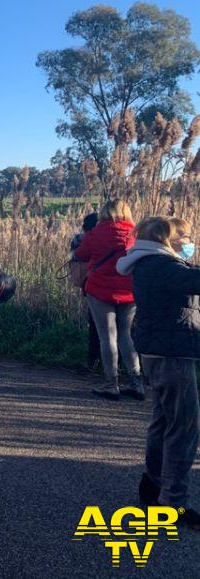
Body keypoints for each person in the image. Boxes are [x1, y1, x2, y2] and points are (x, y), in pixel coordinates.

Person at [116, 216, 200, 529]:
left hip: (156, 351)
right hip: (172, 354)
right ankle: (173, 502)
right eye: (187, 237)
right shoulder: (163, 267)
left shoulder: (148, 263)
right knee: (184, 427)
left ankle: (152, 483)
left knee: (163, 420)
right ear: (168, 239)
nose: (190, 242)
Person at [73, 199, 141, 400]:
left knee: (107, 337)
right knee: (125, 334)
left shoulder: (96, 232)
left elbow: (81, 254)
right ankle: (137, 382)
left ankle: (112, 384)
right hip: (129, 291)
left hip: (100, 290)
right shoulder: (136, 234)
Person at [70, 212, 101, 370]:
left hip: (93, 286)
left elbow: (78, 254)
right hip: (123, 290)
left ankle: (92, 360)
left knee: (95, 325)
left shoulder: (81, 239)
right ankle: (117, 364)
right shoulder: (123, 237)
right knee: (121, 330)